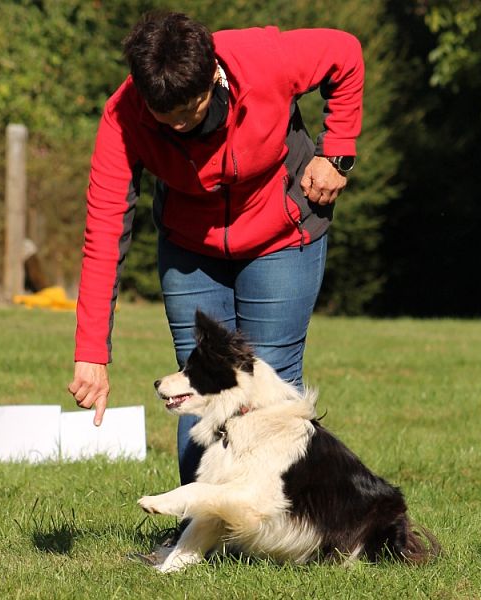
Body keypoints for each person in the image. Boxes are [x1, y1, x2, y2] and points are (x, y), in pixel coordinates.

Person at [68, 11, 364, 486]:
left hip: (282, 237)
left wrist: (337, 154)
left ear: (214, 75)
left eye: (194, 108)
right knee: (198, 384)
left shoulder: (264, 60)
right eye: (169, 118)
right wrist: (91, 352)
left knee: (268, 379)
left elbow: (344, 54)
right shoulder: (123, 117)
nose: (183, 125)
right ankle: (199, 534)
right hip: (191, 248)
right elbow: (104, 228)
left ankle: (271, 519)